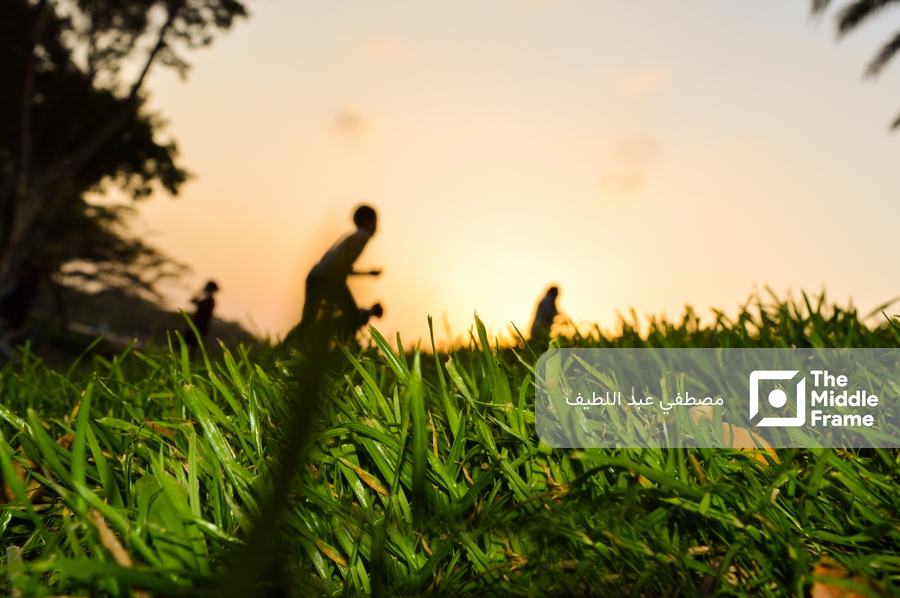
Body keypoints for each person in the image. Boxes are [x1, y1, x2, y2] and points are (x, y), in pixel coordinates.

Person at [294, 205, 382, 340]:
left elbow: (345, 268)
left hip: (315, 276)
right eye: (375, 221)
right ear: (366, 221)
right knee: (352, 316)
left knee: (308, 321)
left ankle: (285, 347)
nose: (377, 226)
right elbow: (347, 252)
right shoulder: (362, 235)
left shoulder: (357, 235)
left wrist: (368, 273)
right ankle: (335, 346)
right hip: (327, 280)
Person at [185, 280, 219, 350]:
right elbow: (192, 301)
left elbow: (193, 301)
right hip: (195, 326)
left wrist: (201, 292)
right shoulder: (207, 300)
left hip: (199, 327)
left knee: (191, 347)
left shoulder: (210, 301)